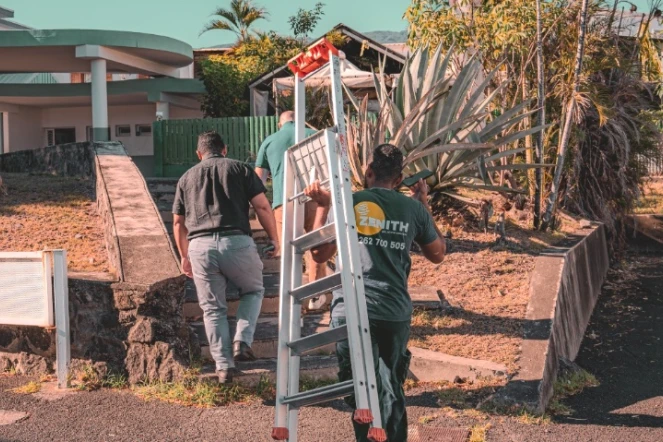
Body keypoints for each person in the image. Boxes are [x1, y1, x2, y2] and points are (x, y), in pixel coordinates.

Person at [304, 144, 446, 442]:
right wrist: (422, 203)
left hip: (350, 310)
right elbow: (438, 254)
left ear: (368, 173)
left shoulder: (349, 203)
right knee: (390, 385)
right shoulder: (414, 209)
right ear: (401, 178)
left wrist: (323, 207)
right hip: (392, 311)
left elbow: (317, 253)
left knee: (358, 387)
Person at [172, 131, 280, 384]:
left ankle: (223, 368)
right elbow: (262, 206)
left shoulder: (186, 178)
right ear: (225, 149)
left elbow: (178, 223)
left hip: (199, 247)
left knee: (212, 309)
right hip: (237, 243)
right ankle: (242, 341)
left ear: (199, 154)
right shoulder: (241, 170)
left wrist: (184, 255)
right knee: (253, 291)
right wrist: (274, 239)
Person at [254, 111, 328, 308]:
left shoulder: (269, 141)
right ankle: (315, 296)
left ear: (280, 124)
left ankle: (288, 299)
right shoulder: (313, 134)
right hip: (313, 197)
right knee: (315, 244)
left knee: (286, 250)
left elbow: (258, 181)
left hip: (283, 202)